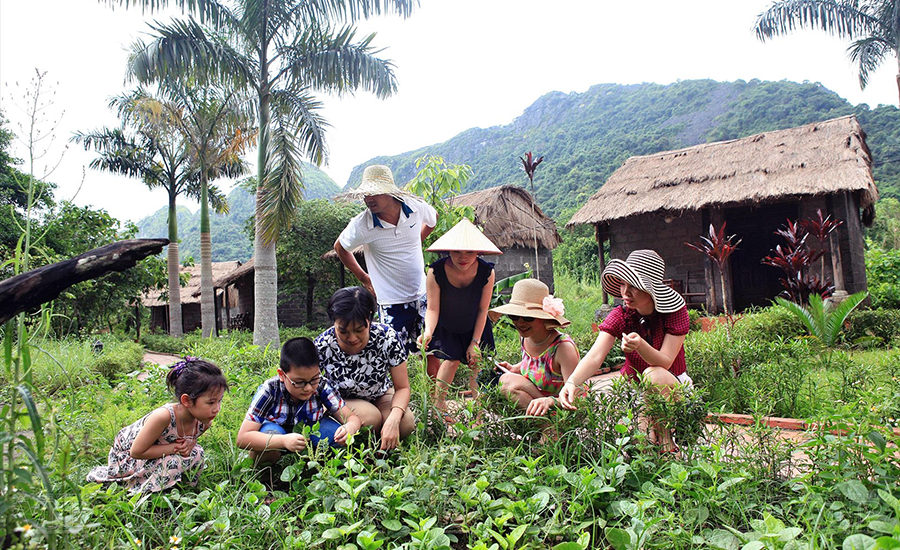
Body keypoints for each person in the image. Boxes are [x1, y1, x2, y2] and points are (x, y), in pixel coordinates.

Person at [558, 249, 691, 452]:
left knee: (653, 374)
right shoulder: (621, 315)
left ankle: (667, 443)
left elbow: (665, 362)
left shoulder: (674, 313)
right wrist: (572, 382)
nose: (625, 293)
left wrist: (640, 346)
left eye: (634, 286)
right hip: (637, 390)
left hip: (671, 386)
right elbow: (595, 355)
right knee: (640, 443)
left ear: (651, 289)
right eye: (622, 284)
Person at [333, 164, 438, 358]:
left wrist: (416, 242)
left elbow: (433, 219)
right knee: (395, 357)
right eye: (365, 194)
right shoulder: (362, 224)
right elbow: (340, 247)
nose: (368, 199)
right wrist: (363, 277)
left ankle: (433, 381)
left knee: (430, 351)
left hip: (423, 294)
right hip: (391, 301)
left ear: (390, 192)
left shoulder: (415, 207)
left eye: (373, 193)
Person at [86, 358, 227, 493]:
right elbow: (136, 452)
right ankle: (147, 493)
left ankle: (183, 488)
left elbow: (189, 442)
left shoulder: (203, 422)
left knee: (197, 452)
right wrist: (176, 448)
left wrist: (191, 442)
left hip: (157, 453)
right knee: (173, 461)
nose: (217, 409)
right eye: (211, 402)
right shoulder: (163, 416)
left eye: (219, 401)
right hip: (127, 458)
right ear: (187, 401)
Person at [315, 286, 416, 451]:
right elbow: (314, 388)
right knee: (371, 418)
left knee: (405, 423)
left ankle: (383, 444)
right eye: (343, 331)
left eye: (359, 330)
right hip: (342, 401)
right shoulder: (323, 345)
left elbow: (403, 388)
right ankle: (365, 449)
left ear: (369, 319)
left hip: (380, 394)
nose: (352, 338)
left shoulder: (387, 337)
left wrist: (394, 419)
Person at [236, 337, 362, 464]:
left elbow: (352, 418)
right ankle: (267, 469)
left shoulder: (322, 385)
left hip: (312, 427)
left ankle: (319, 464)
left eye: (314, 379)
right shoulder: (270, 389)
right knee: (269, 438)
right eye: (299, 382)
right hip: (276, 430)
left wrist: (349, 427)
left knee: (339, 437)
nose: (308, 388)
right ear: (282, 375)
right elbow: (243, 438)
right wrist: (283, 441)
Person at [419, 218, 500, 411]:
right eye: (457, 251)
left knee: (477, 364)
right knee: (451, 361)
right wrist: (428, 332)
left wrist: (475, 342)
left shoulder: (487, 272)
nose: (463, 257)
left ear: (478, 251)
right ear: (449, 250)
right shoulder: (435, 271)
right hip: (448, 325)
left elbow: (483, 309)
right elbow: (432, 308)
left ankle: (480, 413)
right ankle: (438, 409)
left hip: (476, 324)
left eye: (469, 252)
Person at [488, 279, 581, 416]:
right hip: (535, 409)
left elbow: (577, 397)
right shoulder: (525, 337)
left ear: (544, 317)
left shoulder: (562, 348)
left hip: (560, 415)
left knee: (508, 383)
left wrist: (550, 401)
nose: (520, 323)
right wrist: (515, 368)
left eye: (528, 318)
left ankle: (548, 428)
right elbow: (538, 364)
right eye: (514, 316)